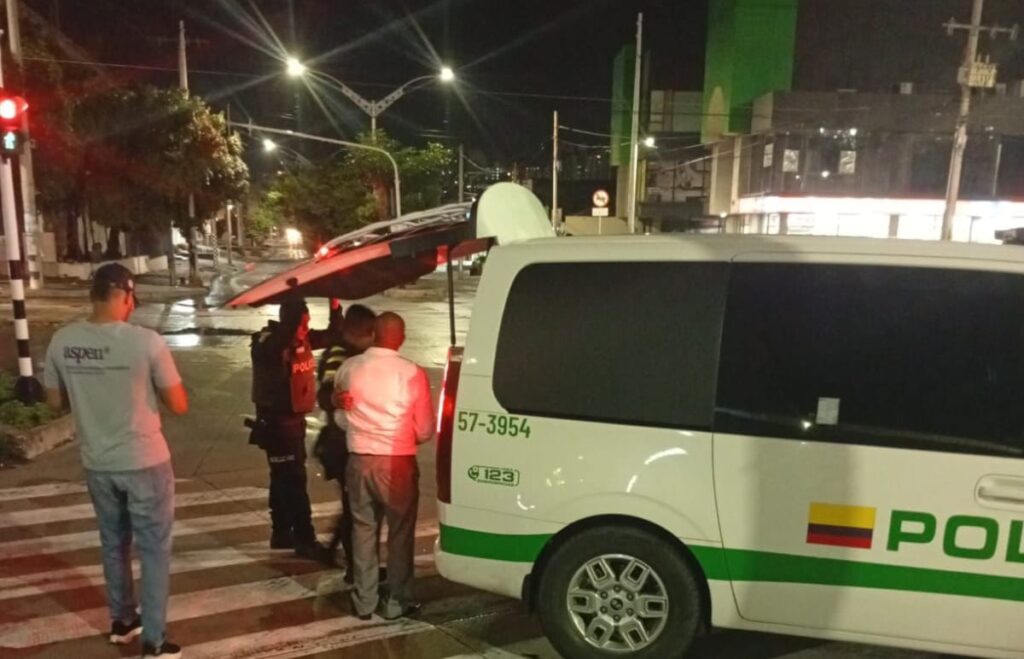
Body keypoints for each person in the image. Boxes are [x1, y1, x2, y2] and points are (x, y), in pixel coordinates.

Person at [43, 263, 188, 659]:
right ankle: (154, 641)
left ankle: (122, 621)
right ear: (125, 296)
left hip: (98, 462)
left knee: (113, 543)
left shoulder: (63, 340)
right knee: (154, 550)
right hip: (145, 461)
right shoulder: (146, 342)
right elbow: (178, 404)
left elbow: (55, 401)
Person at [335, 312, 435, 620]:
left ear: (374, 334)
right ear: (401, 337)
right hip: (397, 462)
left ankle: (364, 600)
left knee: (363, 529)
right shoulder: (411, 373)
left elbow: (340, 416)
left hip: (359, 460)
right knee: (400, 533)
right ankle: (395, 601)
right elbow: (425, 429)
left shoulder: (349, 368)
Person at [250, 297, 329, 560]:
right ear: (291, 321)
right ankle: (305, 539)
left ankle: (281, 532)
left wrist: (335, 304)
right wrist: (292, 317)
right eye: (302, 323)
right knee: (294, 481)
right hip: (277, 426)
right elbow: (271, 348)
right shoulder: (270, 344)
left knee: (281, 478)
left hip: (294, 424)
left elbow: (333, 335)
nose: (307, 329)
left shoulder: (300, 341)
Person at [314, 304, 376, 579]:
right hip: (340, 443)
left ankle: (339, 553)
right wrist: (334, 399)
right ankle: (354, 567)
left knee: (354, 505)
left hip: (347, 441)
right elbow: (327, 392)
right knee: (355, 507)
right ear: (361, 332)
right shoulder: (340, 354)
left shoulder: (355, 354)